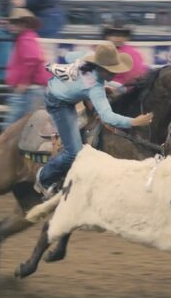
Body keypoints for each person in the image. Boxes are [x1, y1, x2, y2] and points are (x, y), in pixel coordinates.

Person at [34, 43, 154, 198]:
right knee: (73, 152)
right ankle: (44, 177)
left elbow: (69, 57)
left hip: (57, 87)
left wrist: (77, 85)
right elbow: (107, 116)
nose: (114, 74)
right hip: (58, 103)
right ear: (101, 68)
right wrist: (134, 122)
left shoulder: (85, 58)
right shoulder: (94, 87)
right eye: (111, 71)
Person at [3, 8, 49, 128]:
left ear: (24, 24)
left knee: (14, 126)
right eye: (12, 23)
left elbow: (33, 60)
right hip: (31, 89)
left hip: (29, 90)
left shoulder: (25, 39)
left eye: (15, 23)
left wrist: (23, 82)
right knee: (24, 126)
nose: (12, 26)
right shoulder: (27, 38)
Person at [100, 19, 148, 88]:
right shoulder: (102, 51)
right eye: (114, 35)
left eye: (121, 36)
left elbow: (134, 76)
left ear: (126, 38)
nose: (118, 39)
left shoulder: (132, 53)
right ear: (107, 37)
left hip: (123, 88)